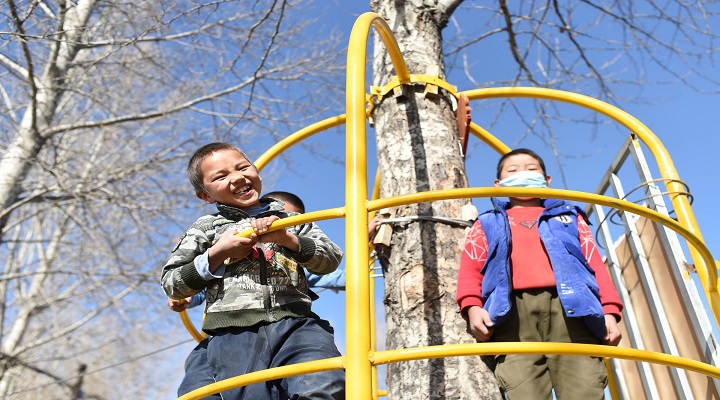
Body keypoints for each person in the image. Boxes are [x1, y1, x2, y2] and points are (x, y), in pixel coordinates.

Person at [161, 142, 345, 400]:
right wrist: (219, 252)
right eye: (221, 176)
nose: (237, 177)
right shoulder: (205, 229)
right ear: (205, 195)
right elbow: (172, 283)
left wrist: (286, 238)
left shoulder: (291, 220)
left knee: (322, 382)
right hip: (234, 333)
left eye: (243, 167)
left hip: (297, 324)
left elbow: (331, 260)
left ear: (256, 171)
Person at [455, 148, 623, 400]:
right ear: (498, 184)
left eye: (532, 169)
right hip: (510, 315)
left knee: (585, 387)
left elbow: (594, 265)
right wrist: (471, 307)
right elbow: (471, 267)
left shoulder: (570, 217)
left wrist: (610, 311)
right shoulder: (487, 222)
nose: (522, 173)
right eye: (513, 171)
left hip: (572, 312)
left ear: (547, 180)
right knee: (523, 388)